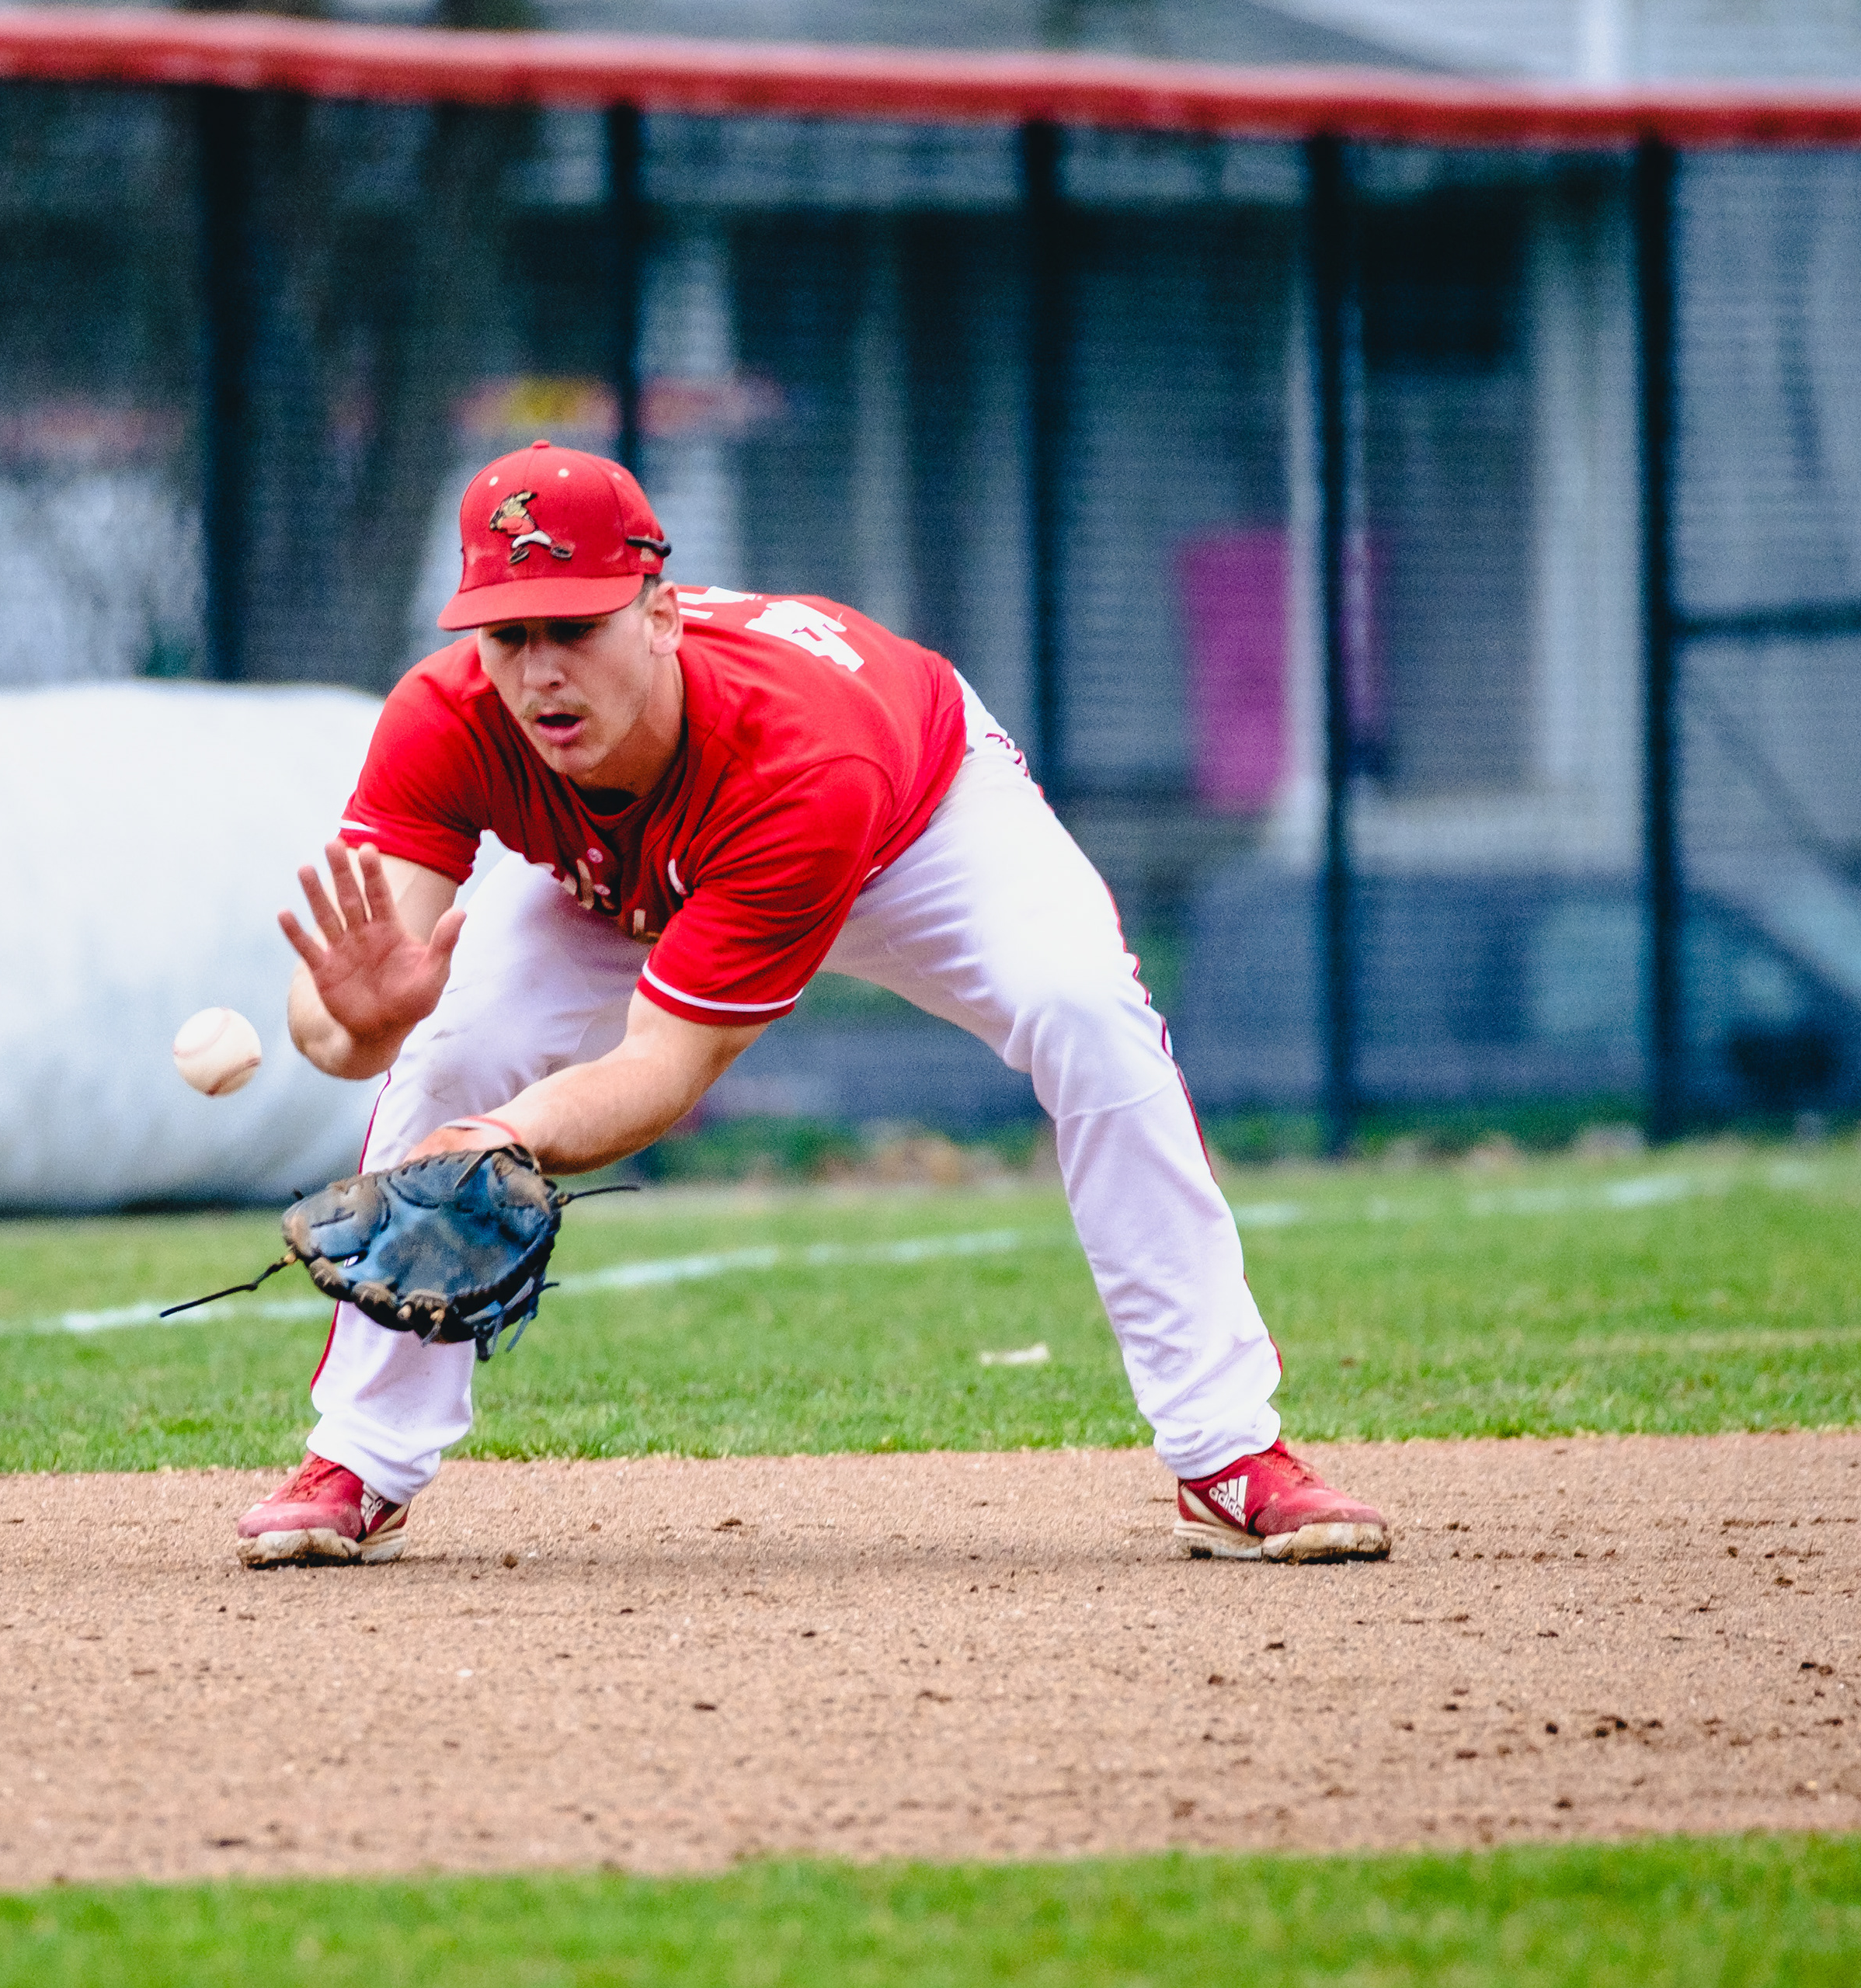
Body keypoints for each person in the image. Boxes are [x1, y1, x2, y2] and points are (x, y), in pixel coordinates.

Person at [235, 439, 1389, 1569]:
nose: (540, 673)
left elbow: (665, 1070)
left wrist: (513, 1136)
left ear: (662, 613)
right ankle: (363, 1462)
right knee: (454, 1046)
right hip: (613, 869)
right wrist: (364, 1027)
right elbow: (335, 1027)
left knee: (1083, 1010)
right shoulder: (447, 720)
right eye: (509, 634)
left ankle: (1227, 1450)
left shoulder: (804, 762)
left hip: (913, 822)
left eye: (577, 628)